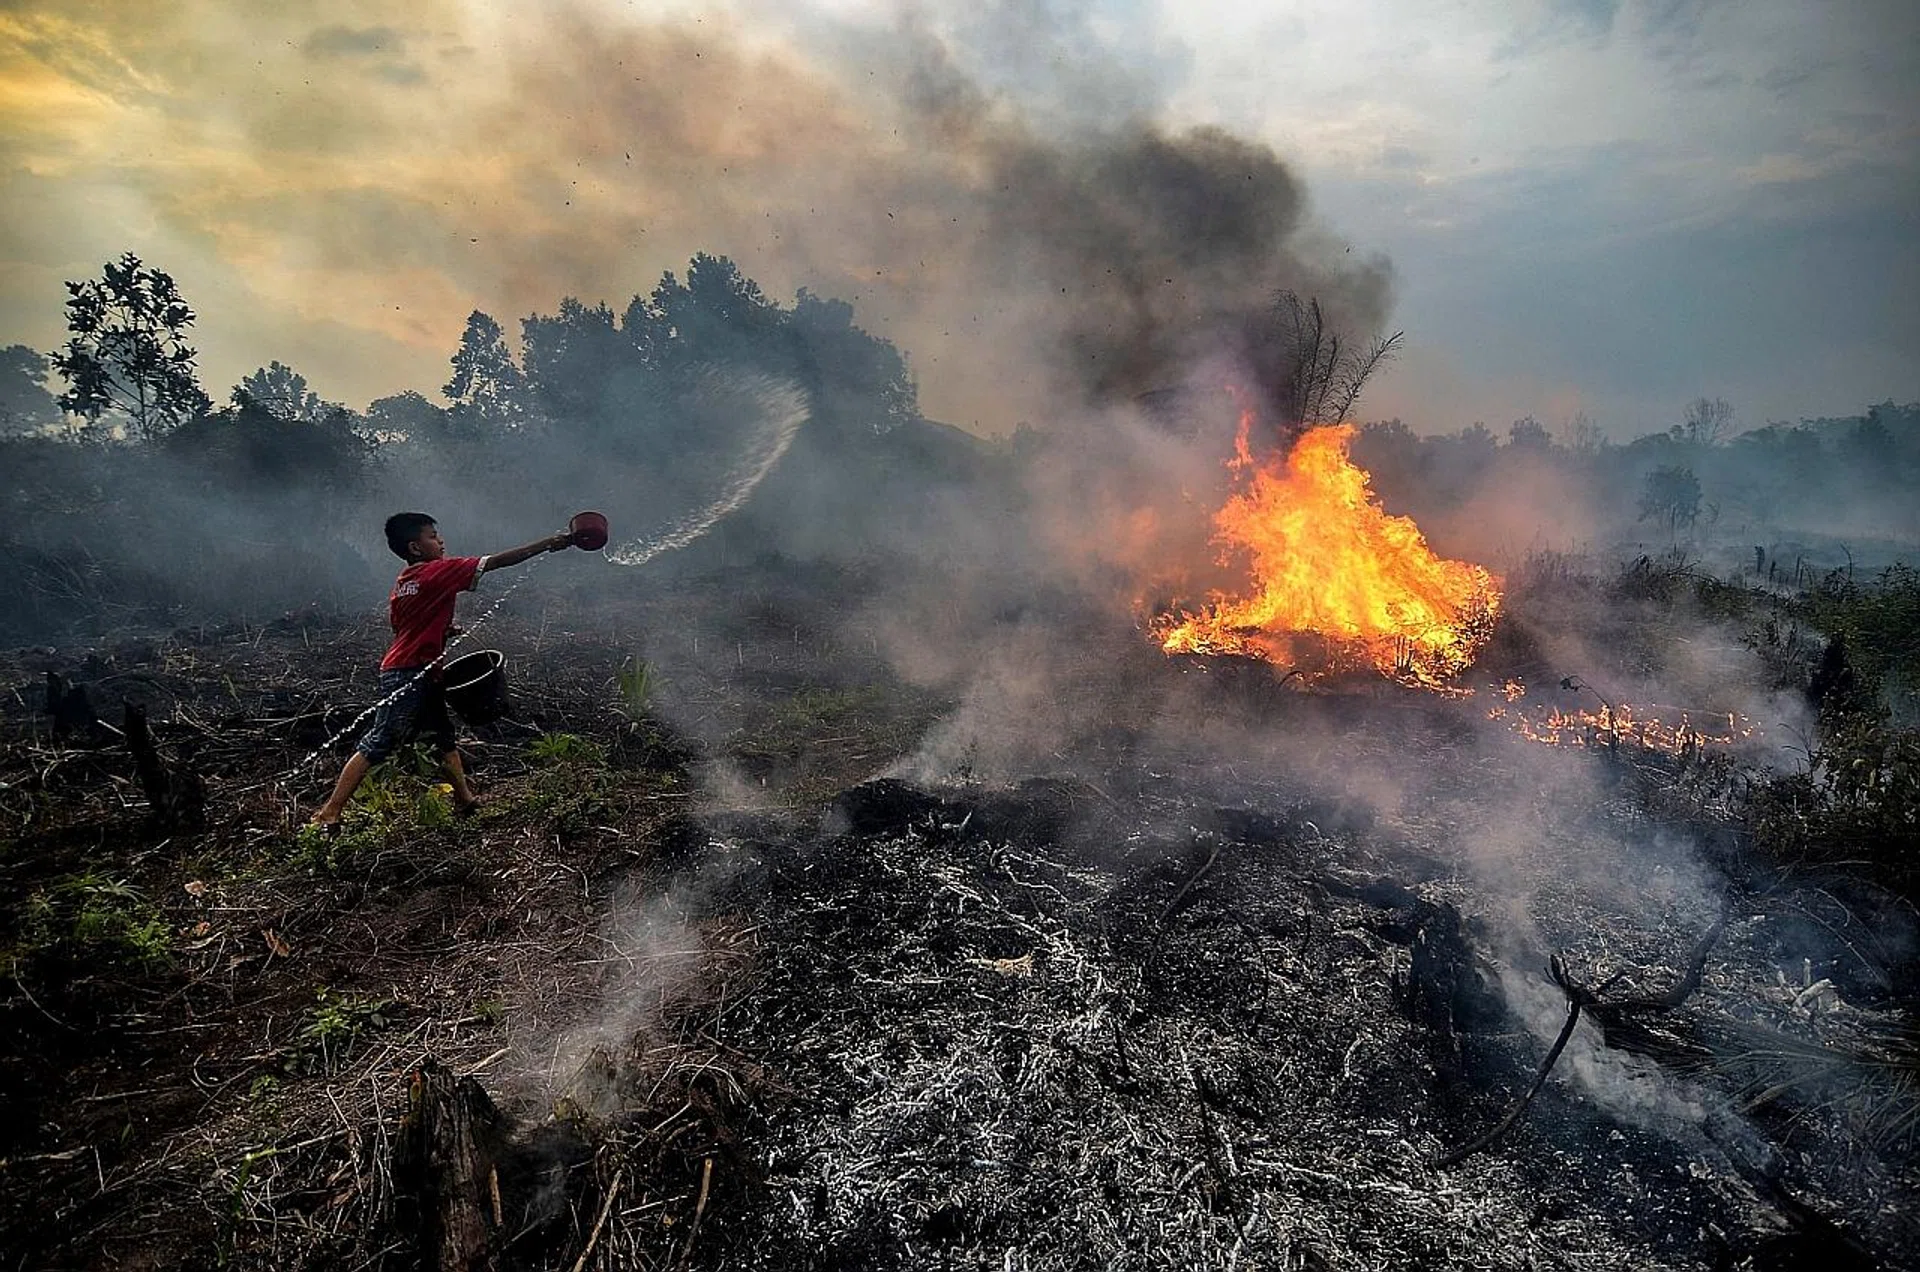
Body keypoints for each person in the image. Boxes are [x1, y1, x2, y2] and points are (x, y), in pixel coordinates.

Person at [309, 512, 576, 828]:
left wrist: (441, 630)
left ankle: (464, 800)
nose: (441, 540)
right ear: (416, 547)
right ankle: (330, 811)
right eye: (433, 536)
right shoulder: (439, 571)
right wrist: (549, 543)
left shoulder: (405, 582)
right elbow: (497, 562)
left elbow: (402, 625)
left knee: (442, 737)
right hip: (408, 671)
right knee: (380, 739)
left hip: (418, 668)